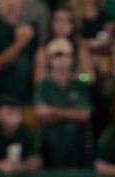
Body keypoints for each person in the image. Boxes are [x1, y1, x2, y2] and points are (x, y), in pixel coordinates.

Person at [35, 37, 93, 169]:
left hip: (76, 145)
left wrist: (53, 112)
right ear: (50, 60)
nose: (61, 60)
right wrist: (72, 113)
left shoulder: (79, 84)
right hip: (49, 144)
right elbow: (40, 112)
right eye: (57, 56)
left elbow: (84, 114)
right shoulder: (44, 85)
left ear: (72, 59)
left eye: (65, 56)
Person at [0, 0, 38, 114]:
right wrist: (20, 43)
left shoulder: (31, 28)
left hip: (27, 102)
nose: (11, 4)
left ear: (23, 3)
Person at [0, 96, 42, 173]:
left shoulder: (27, 131)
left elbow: (36, 161)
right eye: (9, 114)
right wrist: (2, 166)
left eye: (18, 113)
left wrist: (22, 166)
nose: (14, 118)